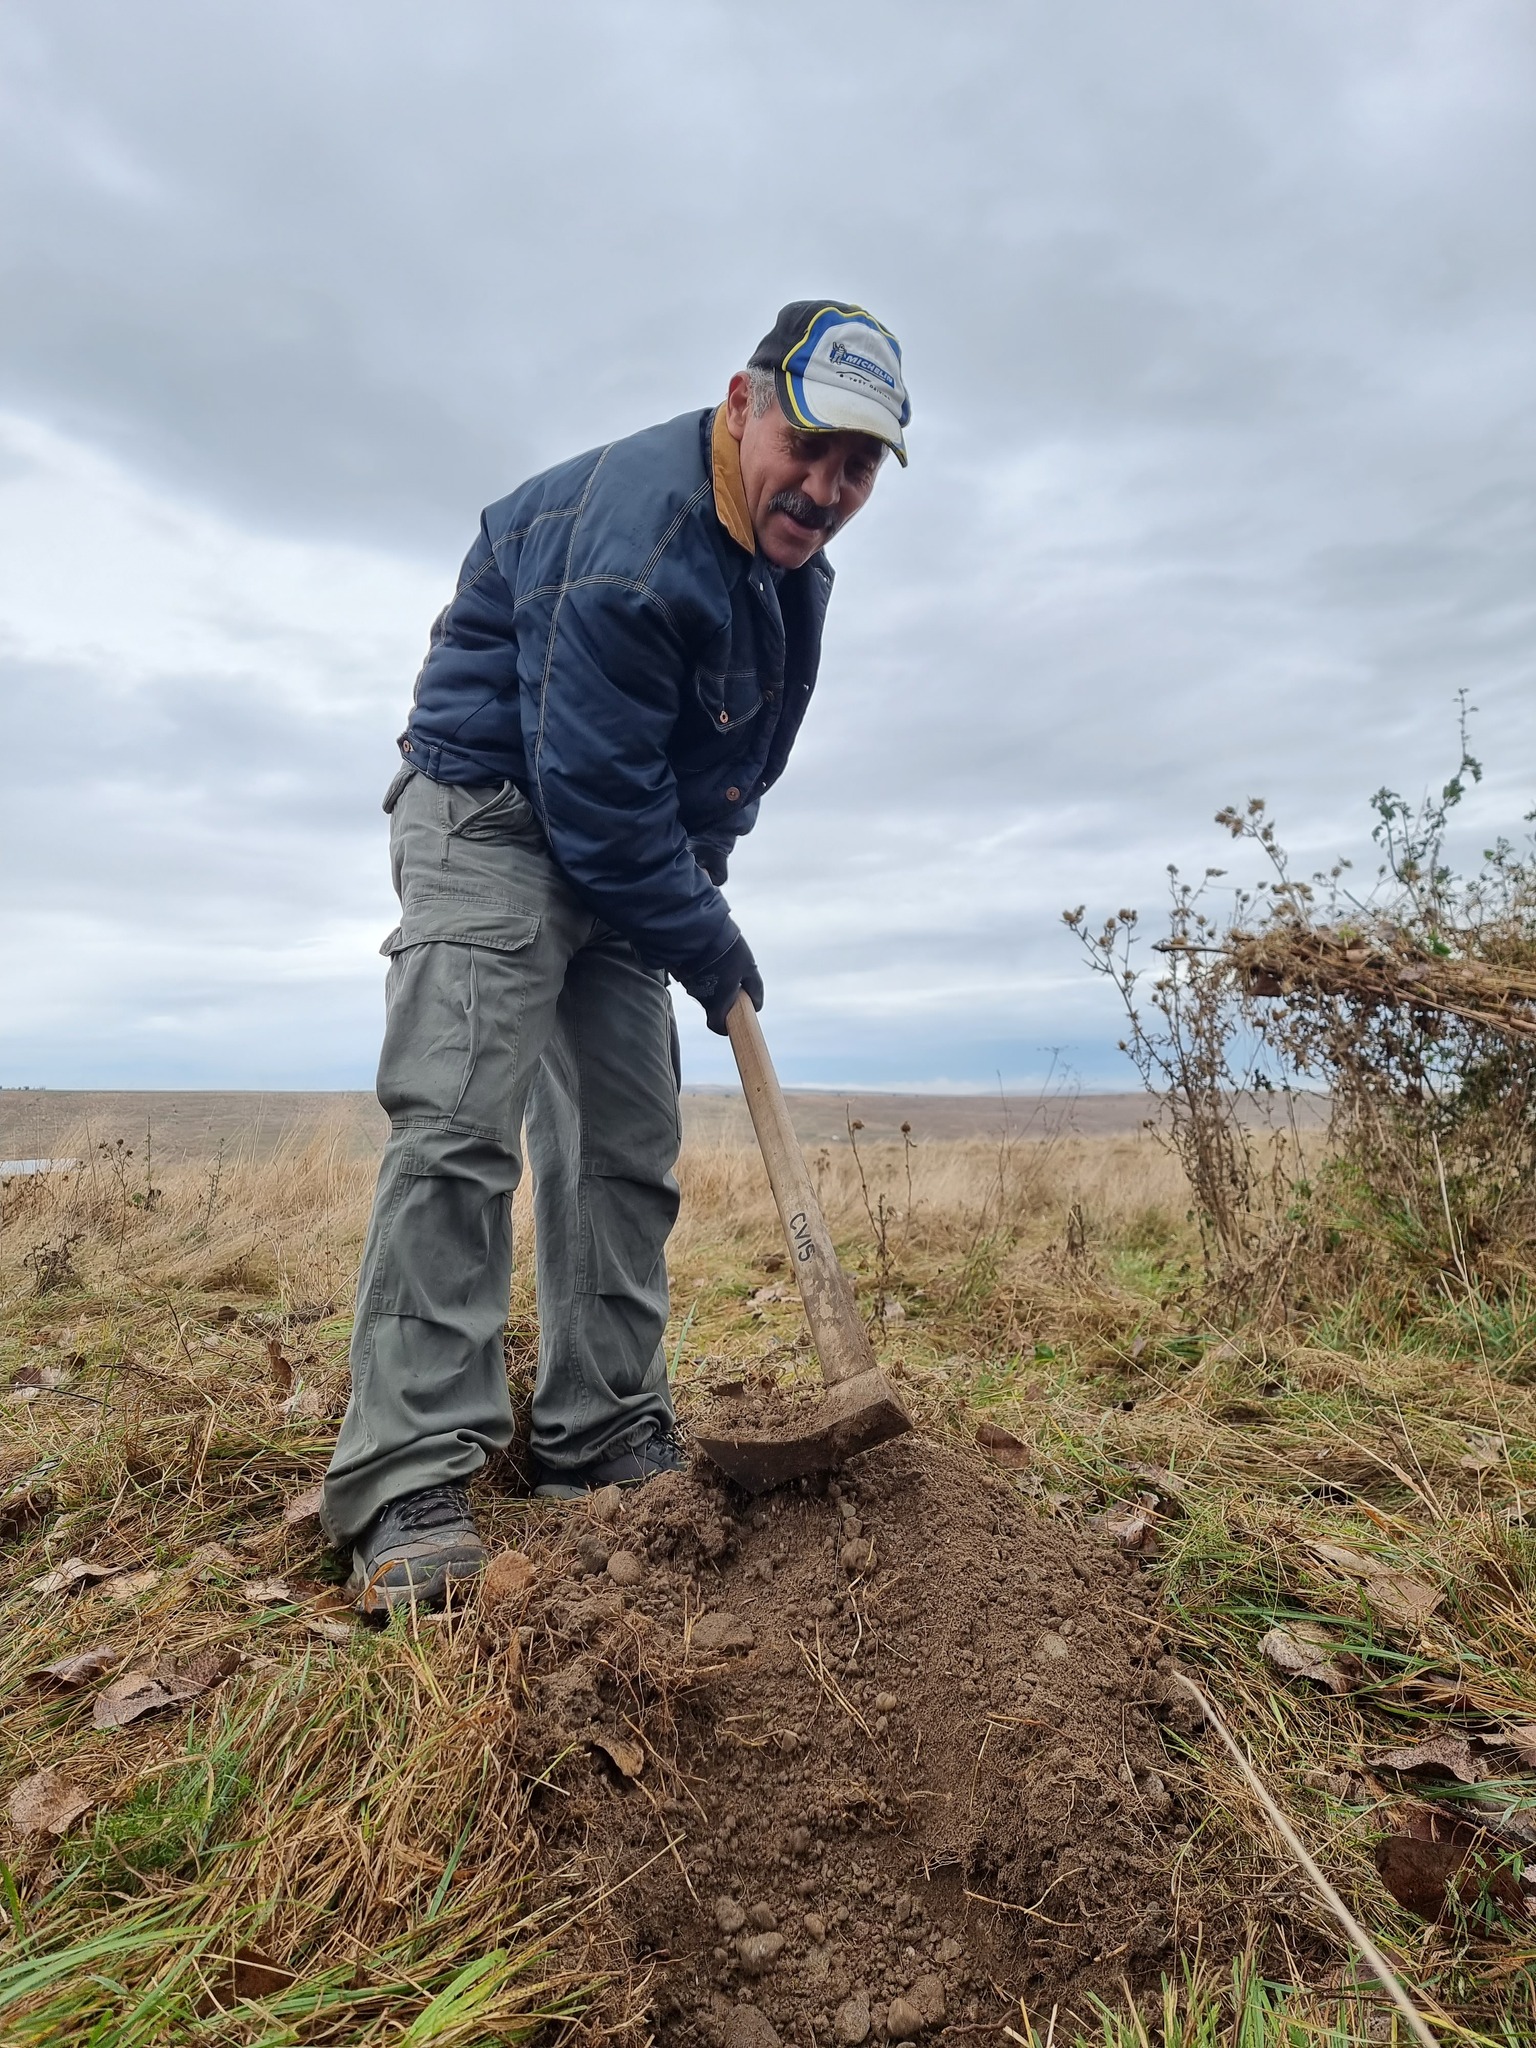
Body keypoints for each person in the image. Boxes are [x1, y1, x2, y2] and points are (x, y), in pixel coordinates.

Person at [320, 301, 910, 1611]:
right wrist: (707, 941)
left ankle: (600, 1436)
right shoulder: (639, 547)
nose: (825, 488)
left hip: (622, 833)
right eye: (810, 445)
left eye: (858, 468)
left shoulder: (791, 574)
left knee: (625, 1135)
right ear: (744, 404)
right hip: (493, 807)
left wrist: (696, 899)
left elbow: (730, 769)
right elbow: (589, 795)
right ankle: (407, 1471)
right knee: (462, 1119)